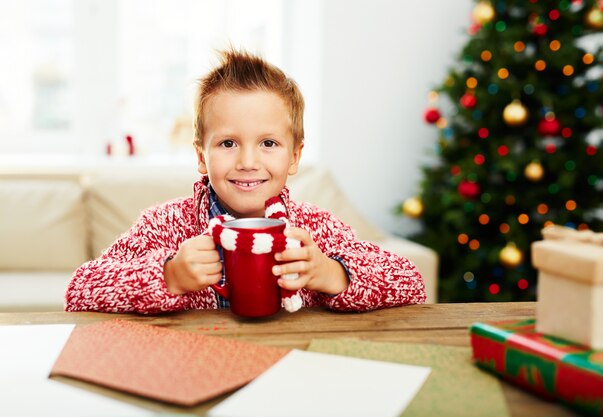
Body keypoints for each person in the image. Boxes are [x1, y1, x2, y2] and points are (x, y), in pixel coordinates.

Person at [65, 49, 426, 314]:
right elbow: (79, 290)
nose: (248, 162)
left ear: (295, 156)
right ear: (201, 157)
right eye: (227, 143)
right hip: (195, 370)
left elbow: (411, 282)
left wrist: (332, 273)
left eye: (268, 144)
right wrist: (169, 276)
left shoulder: (316, 230)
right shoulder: (164, 227)